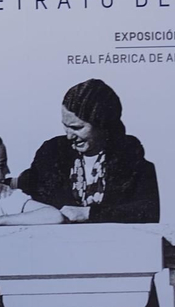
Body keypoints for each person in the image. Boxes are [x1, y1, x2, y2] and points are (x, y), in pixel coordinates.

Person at [18, 79, 159, 224]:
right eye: (66, 126)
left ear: (102, 124)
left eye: (77, 128)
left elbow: (148, 213)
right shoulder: (51, 155)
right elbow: (27, 198)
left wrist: (90, 214)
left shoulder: (131, 161)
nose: (69, 136)